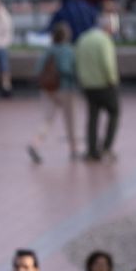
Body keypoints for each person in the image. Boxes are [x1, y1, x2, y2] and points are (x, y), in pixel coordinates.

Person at [27, 21, 80, 165]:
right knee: (70, 120)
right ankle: (73, 149)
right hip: (66, 89)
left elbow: (38, 69)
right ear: (67, 35)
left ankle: (35, 143)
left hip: (48, 90)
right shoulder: (69, 50)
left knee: (47, 119)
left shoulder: (49, 50)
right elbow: (68, 69)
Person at [76, 2, 122, 163]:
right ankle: (107, 147)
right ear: (108, 27)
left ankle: (92, 150)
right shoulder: (104, 41)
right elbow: (107, 64)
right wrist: (113, 80)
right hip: (104, 84)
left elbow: (78, 61)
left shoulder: (84, 38)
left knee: (93, 117)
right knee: (114, 112)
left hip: (88, 85)